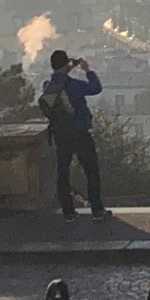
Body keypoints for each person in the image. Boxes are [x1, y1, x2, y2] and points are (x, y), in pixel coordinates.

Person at [40, 50, 107, 221]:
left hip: (60, 136)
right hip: (80, 133)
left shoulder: (49, 87)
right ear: (66, 64)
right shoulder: (75, 85)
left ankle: (68, 211)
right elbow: (96, 88)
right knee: (91, 172)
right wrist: (87, 70)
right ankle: (97, 210)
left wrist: (69, 66)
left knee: (63, 173)